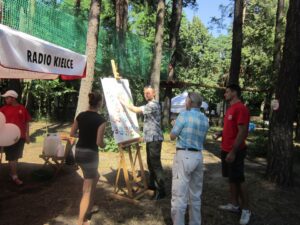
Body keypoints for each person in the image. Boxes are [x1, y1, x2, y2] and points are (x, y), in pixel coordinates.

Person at [119, 85, 165, 200]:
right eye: (145, 93)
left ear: (154, 93)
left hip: (154, 139)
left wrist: (122, 101)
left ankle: (162, 190)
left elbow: (135, 109)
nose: (146, 95)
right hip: (151, 138)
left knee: (155, 164)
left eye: (149, 93)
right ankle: (153, 185)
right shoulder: (151, 104)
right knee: (150, 162)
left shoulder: (152, 105)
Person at [213, 84, 251, 225]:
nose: (225, 94)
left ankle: (246, 210)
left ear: (235, 93)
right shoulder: (231, 108)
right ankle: (234, 205)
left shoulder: (241, 108)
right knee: (231, 179)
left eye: (227, 92)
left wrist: (234, 151)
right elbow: (231, 128)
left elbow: (242, 132)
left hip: (235, 151)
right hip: (226, 149)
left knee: (239, 180)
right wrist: (220, 133)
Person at [170, 92, 209, 225]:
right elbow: (202, 139)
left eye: (186, 101)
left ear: (190, 102)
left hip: (184, 155)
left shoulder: (183, 115)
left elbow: (172, 136)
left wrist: (174, 124)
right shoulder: (205, 119)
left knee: (179, 194)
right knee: (196, 194)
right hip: (198, 156)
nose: (185, 103)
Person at [70, 92, 106, 225]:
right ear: (99, 103)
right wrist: (104, 143)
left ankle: (89, 205)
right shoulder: (101, 120)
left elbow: (72, 133)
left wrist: (84, 134)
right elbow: (99, 143)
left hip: (78, 153)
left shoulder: (80, 116)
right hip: (90, 155)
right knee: (87, 190)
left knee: (95, 177)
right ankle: (81, 221)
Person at [0, 90, 31, 186]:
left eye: (7, 97)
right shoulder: (3, 109)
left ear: (13, 98)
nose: (5, 99)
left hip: (20, 137)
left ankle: (12, 172)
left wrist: (27, 135)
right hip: (8, 137)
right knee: (12, 158)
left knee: (16, 157)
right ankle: (15, 176)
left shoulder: (22, 108)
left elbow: (27, 122)